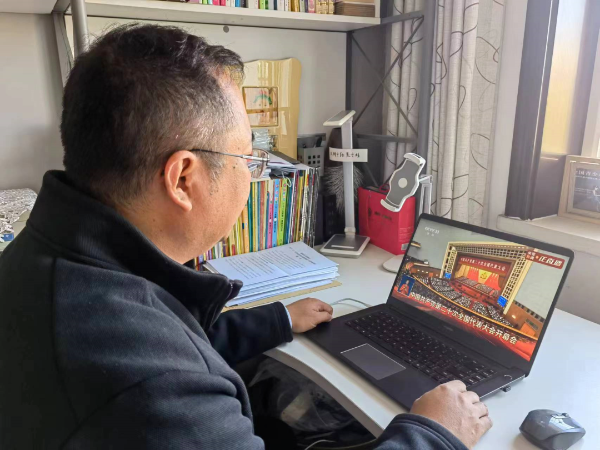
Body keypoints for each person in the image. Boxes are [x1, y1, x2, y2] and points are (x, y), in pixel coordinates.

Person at [0, 24, 492, 449]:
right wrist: (432, 433)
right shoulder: (151, 386)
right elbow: (161, 362)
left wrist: (277, 319)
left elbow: (174, 337)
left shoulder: (56, 259)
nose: (254, 174)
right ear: (183, 179)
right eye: (248, 159)